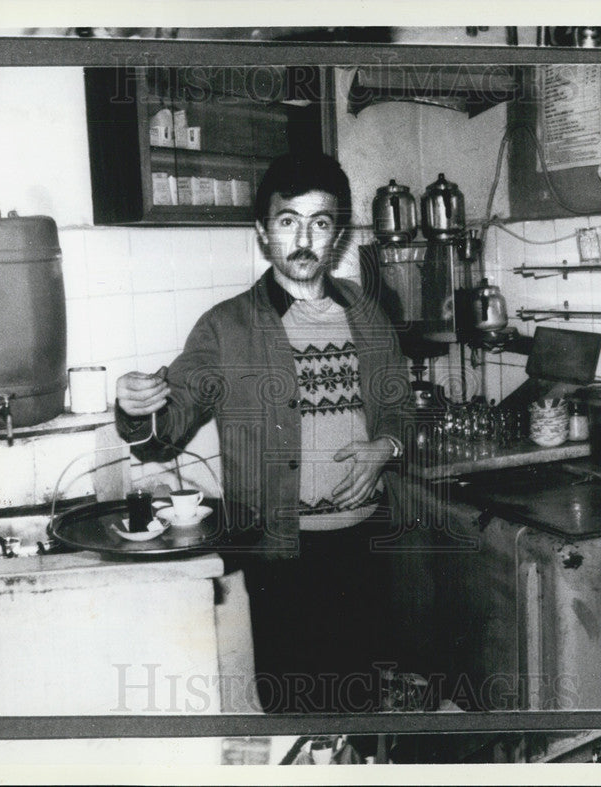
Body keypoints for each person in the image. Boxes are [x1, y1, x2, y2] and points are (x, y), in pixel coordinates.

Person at [115, 152, 413, 713]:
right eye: (287, 221)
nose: (304, 238)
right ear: (262, 232)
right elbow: (166, 429)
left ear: (339, 235)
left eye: (320, 222)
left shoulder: (369, 314)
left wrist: (386, 447)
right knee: (296, 713)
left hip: (365, 546)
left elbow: (401, 411)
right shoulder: (227, 327)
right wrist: (139, 409)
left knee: (363, 710)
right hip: (281, 556)